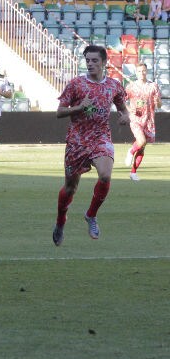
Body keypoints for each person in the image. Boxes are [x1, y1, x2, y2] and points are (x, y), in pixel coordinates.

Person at [53, 45, 130, 246]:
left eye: (95, 61)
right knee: (70, 188)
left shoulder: (113, 85)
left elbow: (123, 108)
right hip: (77, 140)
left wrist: (125, 116)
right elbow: (59, 112)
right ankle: (61, 220)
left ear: (104, 63)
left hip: (101, 138)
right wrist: (79, 107)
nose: (90, 64)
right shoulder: (76, 85)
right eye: (88, 60)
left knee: (105, 174)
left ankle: (91, 215)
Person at [123, 63, 161, 181]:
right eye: (139, 71)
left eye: (143, 71)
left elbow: (159, 105)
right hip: (136, 119)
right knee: (141, 141)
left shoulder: (153, 86)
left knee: (142, 147)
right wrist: (130, 110)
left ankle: (133, 172)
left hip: (149, 120)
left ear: (146, 71)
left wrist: (157, 101)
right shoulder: (131, 87)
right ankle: (131, 151)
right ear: (136, 73)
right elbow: (122, 101)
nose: (141, 73)